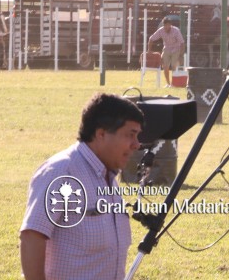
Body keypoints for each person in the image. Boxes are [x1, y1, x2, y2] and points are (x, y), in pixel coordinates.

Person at [20, 93, 145, 280]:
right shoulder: (62, 171)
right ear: (101, 134)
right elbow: (32, 237)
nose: (137, 145)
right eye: (130, 135)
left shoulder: (109, 177)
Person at [148, 17, 185, 87]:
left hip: (176, 49)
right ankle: (168, 84)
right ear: (163, 25)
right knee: (165, 66)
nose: (166, 27)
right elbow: (151, 39)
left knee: (174, 66)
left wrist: (181, 55)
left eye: (168, 25)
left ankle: (174, 83)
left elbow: (182, 43)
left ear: (170, 25)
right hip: (166, 49)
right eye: (165, 25)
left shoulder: (176, 31)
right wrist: (149, 50)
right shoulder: (161, 31)